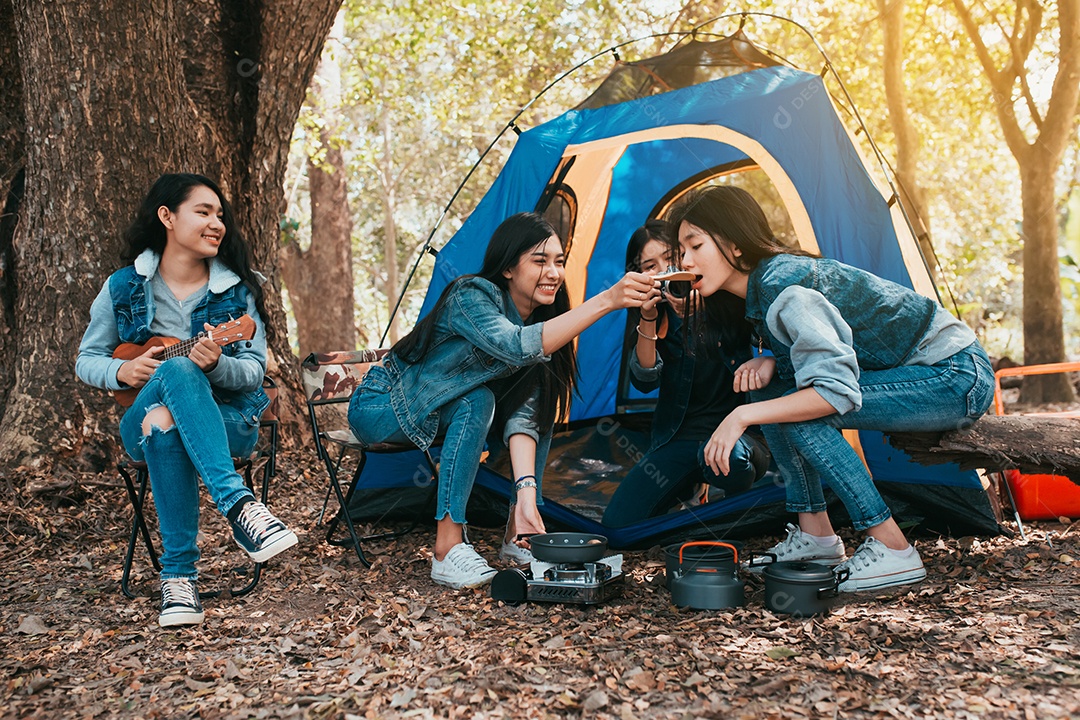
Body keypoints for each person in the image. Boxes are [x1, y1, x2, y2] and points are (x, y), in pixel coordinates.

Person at [667, 185, 994, 592]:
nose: (685, 261)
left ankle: (892, 548)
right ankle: (817, 536)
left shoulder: (785, 285)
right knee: (770, 396)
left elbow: (834, 393)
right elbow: (828, 347)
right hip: (922, 375)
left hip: (954, 374)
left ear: (733, 245)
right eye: (681, 252)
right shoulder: (760, 292)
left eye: (694, 245)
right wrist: (771, 362)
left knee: (802, 413)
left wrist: (740, 416)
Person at [347, 212, 657, 589]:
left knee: (538, 404)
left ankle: (518, 532)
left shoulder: (541, 324)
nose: (554, 273)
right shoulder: (471, 296)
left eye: (559, 262)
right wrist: (607, 299)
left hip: (438, 410)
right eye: (540, 261)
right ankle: (446, 549)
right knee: (476, 400)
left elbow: (525, 417)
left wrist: (526, 495)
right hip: (383, 407)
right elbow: (514, 346)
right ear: (509, 267)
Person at [76, 173, 297, 627]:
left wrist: (216, 364)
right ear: (167, 217)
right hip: (135, 424)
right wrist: (123, 370)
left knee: (165, 420)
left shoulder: (239, 289)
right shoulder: (122, 287)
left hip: (229, 422)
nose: (217, 223)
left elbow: (253, 372)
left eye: (220, 215)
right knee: (168, 385)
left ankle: (179, 581)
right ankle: (239, 506)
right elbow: (87, 359)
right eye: (204, 212)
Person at [602, 220, 770, 527]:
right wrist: (649, 318)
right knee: (618, 524)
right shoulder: (653, 314)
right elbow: (644, 380)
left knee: (731, 461)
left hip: (738, 434)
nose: (666, 271)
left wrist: (704, 311)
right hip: (678, 438)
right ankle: (694, 490)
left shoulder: (724, 295)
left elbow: (770, 351)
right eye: (650, 266)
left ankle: (720, 498)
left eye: (672, 258)